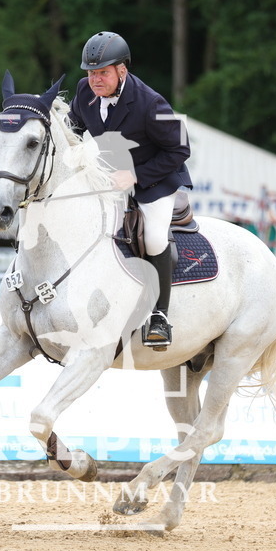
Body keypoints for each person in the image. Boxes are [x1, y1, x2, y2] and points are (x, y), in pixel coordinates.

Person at [68, 31, 192, 350]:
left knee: (152, 237)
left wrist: (135, 175)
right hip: (109, 177)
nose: (95, 79)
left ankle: (160, 317)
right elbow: (72, 130)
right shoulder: (83, 91)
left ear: (121, 70)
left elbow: (181, 149)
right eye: (91, 72)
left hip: (156, 178)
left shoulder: (151, 102)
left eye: (102, 72)